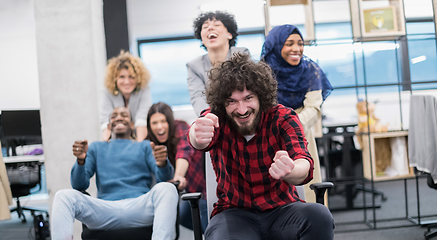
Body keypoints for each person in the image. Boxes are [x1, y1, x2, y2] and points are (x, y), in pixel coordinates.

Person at [188, 53, 334, 240]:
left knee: (318, 215)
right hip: (234, 214)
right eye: (232, 101)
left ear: (261, 96)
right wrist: (196, 135)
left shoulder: (283, 118)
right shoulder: (216, 118)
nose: (241, 110)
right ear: (222, 103)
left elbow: (303, 162)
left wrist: (291, 170)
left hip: (282, 210)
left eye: (248, 98)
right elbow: (198, 136)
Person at [51, 107, 178, 240]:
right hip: (105, 210)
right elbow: (78, 185)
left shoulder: (144, 146)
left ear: (132, 124)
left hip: (138, 207)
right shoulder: (96, 147)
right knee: (63, 196)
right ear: (109, 125)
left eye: (124, 115)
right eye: (114, 116)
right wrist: (80, 161)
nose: (119, 117)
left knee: (167, 188)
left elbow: (165, 178)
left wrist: (163, 163)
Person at [261, 24, 333, 203]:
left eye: (300, 43)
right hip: (269, 136)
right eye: (289, 43)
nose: (297, 49)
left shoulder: (310, 70)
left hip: (301, 133)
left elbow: (314, 108)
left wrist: (290, 125)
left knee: (306, 191)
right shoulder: (262, 73)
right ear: (276, 46)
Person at [146, 102, 208, 233]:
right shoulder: (151, 143)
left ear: (170, 121)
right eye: (154, 123)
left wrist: (178, 175)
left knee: (208, 227)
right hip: (191, 190)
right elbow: (161, 175)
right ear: (149, 126)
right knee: (181, 216)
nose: (159, 127)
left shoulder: (181, 127)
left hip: (205, 190)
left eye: (163, 121)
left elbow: (184, 151)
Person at [187, 11, 249, 116]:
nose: (210, 28)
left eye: (217, 25)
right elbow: (197, 97)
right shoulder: (194, 66)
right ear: (201, 39)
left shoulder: (241, 54)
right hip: (213, 118)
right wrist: (207, 118)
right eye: (205, 27)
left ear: (229, 34)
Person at [100, 51, 152, 141]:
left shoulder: (144, 90)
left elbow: (142, 120)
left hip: (138, 137)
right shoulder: (106, 92)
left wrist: (140, 148)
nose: (127, 82)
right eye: (122, 77)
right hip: (115, 138)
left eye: (131, 77)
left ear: (138, 78)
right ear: (114, 78)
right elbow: (106, 123)